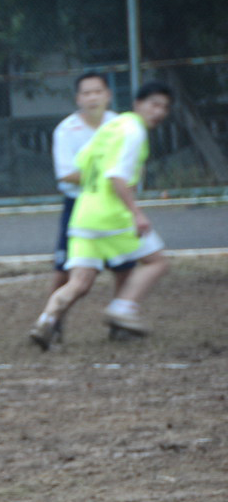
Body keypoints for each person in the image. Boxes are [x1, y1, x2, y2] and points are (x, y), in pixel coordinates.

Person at [28, 81, 173, 349]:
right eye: (154, 104)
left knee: (80, 282)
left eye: (164, 107)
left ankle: (46, 320)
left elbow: (83, 164)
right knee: (157, 262)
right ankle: (122, 308)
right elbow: (117, 175)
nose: (159, 112)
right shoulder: (133, 131)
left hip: (83, 213)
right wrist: (136, 213)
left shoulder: (111, 127)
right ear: (137, 104)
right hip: (112, 215)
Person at [39, 72, 126, 346]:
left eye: (97, 91)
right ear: (78, 98)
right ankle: (52, 321)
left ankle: (119, 321)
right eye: (86, 93)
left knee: (124, 265)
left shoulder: (120, 125)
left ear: (108, 95)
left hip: (113, 204)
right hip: (79, 206)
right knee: (63, 271)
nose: (92, 98)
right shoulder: (66, 130)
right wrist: (106, 176)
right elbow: (66, 174)